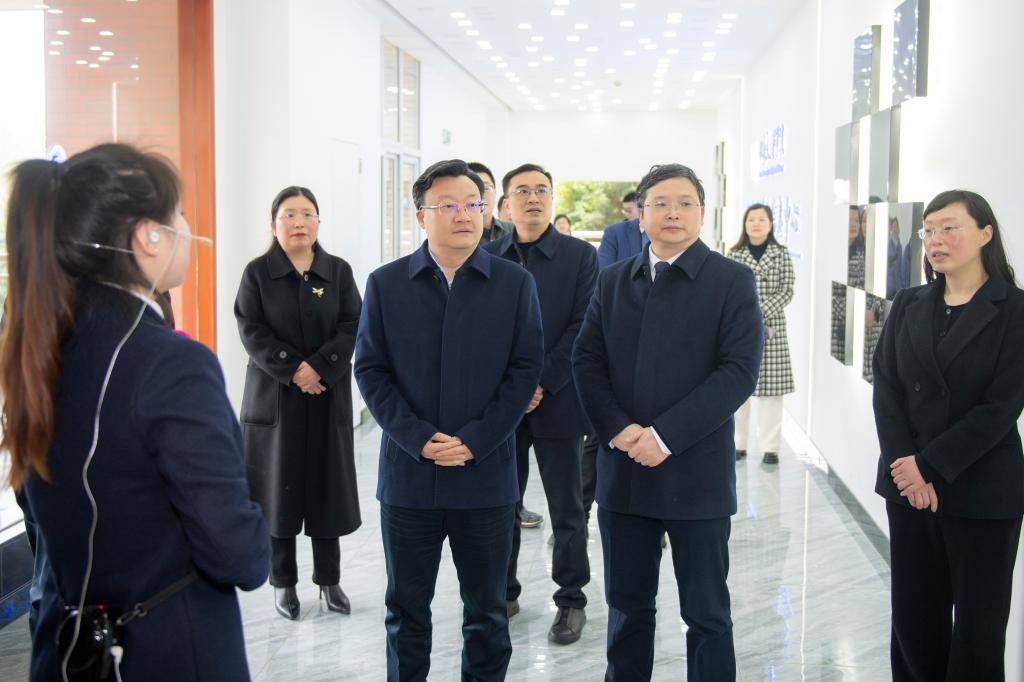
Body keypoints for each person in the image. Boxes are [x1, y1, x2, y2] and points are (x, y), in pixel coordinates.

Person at [1, 143, 269, 681]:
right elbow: (238, 554)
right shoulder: (172, 364)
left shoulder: (40, 347)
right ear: (150, 236)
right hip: (164, 651)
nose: (189, 229)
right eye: (179, 215)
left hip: (68, 648)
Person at [354, 159, 544, 682]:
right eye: (449, 205)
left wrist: (476, 440)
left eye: (473, 204)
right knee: (406, 612)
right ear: (421, 216)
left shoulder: (514, 283)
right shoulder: (387, 284)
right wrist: (418, 438)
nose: (464, 215)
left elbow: (524, 369)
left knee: (487, 613)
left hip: (485, 478)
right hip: (409, 479)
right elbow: (370, 370)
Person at [573, 163, 763, 681]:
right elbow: (586, 360)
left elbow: (739, 372)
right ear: (640, 215)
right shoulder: (613, 280)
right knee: (628, 610)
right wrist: (619, 430)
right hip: (625, 475)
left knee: (706, 615)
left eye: (684, 203)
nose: (672, 213)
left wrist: (664, 436)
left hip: (697, 477)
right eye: (660, 203)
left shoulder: (731, 280)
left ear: (702, 213)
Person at [872, 189, 1024, 681]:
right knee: (914, 623)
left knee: (979, 632)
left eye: (949, 228)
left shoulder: (1015, 310)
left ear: (985, 234)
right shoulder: (909, 302)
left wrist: (929, 466)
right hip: (909, 490)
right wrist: (906, 466)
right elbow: (887, 389)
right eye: (929, 230)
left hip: (981, 490)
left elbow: (1001, 407)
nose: (936, 239)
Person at [235, 186, 362, 621]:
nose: (299, 222)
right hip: (275, 400)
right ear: (274, 225)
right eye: (289, 215)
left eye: (307, 214)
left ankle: (330, 581)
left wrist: (320, 367)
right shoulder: (257, 274)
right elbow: (251, 330)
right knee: (279, 492)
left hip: (325, 395)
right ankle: (283, 583)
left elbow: (353, 324)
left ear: (318, 222)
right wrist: (294, 369)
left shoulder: (337, 271)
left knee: (327, 490)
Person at [484, 163, 597, 644]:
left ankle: (571, 600)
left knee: (567, 510)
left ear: (552, 200)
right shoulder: (487, 255)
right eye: (523, 191)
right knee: (501, 505)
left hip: (560, 402)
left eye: (542, 190)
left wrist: (541, 382)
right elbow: (481, 329)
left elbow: (584, 326)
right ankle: (504, 592)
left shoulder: (580, 256)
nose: (533, 198)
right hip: (502, 406)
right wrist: (516, 387)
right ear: (506, 204)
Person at [728, 203, 795, 464]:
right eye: (751, 219)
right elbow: (729, 292)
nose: (756, 224)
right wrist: (749, 313)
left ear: (770, 224)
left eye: (761, 219)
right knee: (738, 388)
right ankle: (739, 444)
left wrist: (761, 311)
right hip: (740, 328)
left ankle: (770, 448)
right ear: (744, 225)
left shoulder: (781, 253)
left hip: (772, 328)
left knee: (772, 392)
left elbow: (787, 290)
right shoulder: (734, 254)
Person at [597, 190, 645, 270]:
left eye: (629, 210)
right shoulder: (614, 233)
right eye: (625, 211)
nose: (626, 214)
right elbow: (603, 271)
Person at [468, 161, 514, 243]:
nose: (481, 194)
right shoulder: (455, 234)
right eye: (474, 187)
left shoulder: (513, 231)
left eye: (486, 188)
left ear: (495, 193)